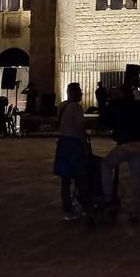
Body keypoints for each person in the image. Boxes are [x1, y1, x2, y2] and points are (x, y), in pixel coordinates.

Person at [102, 82, 140, 224]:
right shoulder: (135, 104)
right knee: (136, 180)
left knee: (105, 165)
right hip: (138, 145)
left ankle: (108, 197)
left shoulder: (115, 106)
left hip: (124, 145)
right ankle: (134, 212)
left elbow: (104, 121)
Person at [53, 82, 89, 221]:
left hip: (63, 143)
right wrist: (85, 146)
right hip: (74, 143)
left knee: (65, 179)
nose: (81, 93)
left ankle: (67, 210)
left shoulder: (62, 106)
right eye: (79, 91)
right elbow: (80, 129)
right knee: (81, 176)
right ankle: (86, 207)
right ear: (73, 92)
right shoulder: (76, 107)